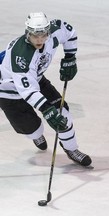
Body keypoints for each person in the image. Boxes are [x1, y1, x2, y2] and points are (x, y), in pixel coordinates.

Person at [0, 12, 92, 166]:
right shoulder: (21, 56)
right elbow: (27, 91)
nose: (40, 39)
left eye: (43, 35)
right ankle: (35, 135)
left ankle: (71, 149)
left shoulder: (53, 33)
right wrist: (46, 109)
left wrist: (70, 57)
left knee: (62, 115)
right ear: (27, 33)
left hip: (36, 79)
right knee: (33, 129)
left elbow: (69, 32)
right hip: (9, 92)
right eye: (35, 36)